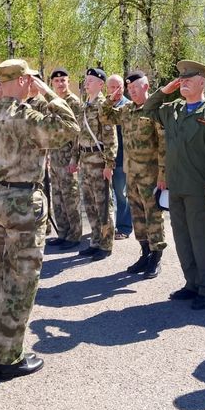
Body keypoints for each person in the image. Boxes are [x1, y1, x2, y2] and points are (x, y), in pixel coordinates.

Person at [0, 58, 80, 380]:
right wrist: (48, 92)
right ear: (22, 80)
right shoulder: (24, 116)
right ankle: (9, 357)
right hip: (23, 203)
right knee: (21, 281)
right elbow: (70, 127)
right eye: (30, 79)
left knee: (0, 277)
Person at [142, 60, 205, 310]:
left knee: (201, 241)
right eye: (181, 79)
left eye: (189, 79)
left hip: (199, 190)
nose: (183, 82)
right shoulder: (174, 110)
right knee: (183, 240)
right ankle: (192, 284)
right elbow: (147, 109)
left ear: (202, 82)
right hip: (176, 188)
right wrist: (165, 91)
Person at [101, 70, 167, 278]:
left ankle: (156, 257)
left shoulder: (155, 110)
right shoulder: (127, 109)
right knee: (137, 216)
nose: (132, 91)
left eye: (135, 88)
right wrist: (111, 99)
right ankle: (145, 253)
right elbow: (104, 116)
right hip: (131, 173)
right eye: (129, 88)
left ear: (146, 87)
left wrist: (163, 175)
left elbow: (164, 145)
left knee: (153, 216)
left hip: (151, 175)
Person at [76, 67, 118, 261]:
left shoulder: (103, 106)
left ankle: (106, 243)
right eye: (86, 80)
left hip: (99, 161)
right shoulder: (85, 105)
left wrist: (109, 164)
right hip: (85, 161)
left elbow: (110, 138)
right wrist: (76, 159)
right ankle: (95, 240)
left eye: (90, 80)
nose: (86, 83)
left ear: (101, 84)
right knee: (90, 204)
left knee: (103, 204)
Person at [45, 67, 85, 250]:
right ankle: (63, 233)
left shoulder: (73, 102)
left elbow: (78, 133)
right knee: (58, 197)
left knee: (70, 197)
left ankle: (74, 235)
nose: (60, 84)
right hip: (54, 156)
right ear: (52, 83)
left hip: (68, 156)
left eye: (63, 80)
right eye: (56, 81)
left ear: (68, 82)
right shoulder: (53, 102)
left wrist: (75, 159)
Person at [106, 73, 133, 240]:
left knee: (121, 194)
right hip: (105, 159)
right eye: (112, 87)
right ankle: (106, 226)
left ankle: (124, 227)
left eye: (119, 87)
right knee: (106, 195)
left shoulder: (128, 106)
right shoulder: (104, 106)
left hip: (122, 158)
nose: (116, 90)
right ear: (107, 88)